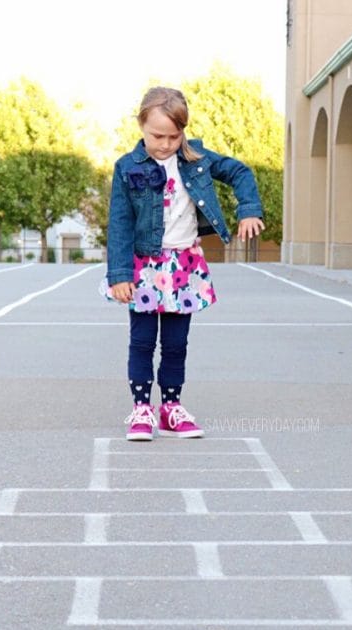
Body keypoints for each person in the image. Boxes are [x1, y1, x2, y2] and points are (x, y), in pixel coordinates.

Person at [106, 86, 265, 442]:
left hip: (184, 265)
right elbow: (119, 222)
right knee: (142, 341)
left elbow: (240, 173)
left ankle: (172, 408)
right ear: (141, 127)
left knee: (177, 343)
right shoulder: (126, 167)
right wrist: (118, 275)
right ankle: (142, 408)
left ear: (184, 131)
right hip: (144, 266)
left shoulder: (197, 159)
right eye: (156, 136)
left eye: (173, 136)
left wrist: (249, 209)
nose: (164, 144)